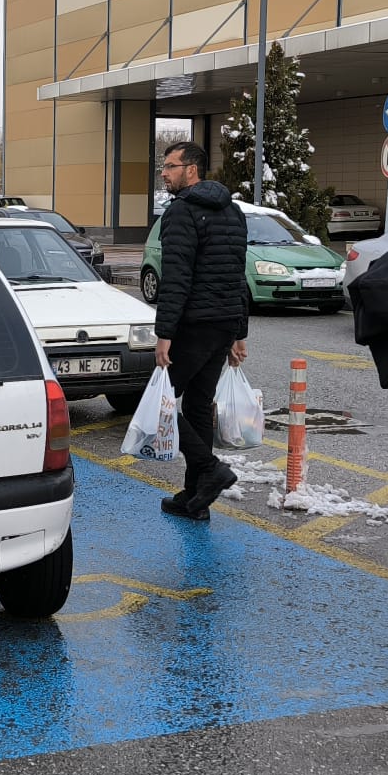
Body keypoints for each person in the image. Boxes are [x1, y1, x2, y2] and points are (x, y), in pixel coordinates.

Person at [151, 141, 249, 521]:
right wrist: (238, 332)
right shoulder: (233, 212)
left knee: (157, 404)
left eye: (171, 166)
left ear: (192, 170)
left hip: (193, 326)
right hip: (222, 325)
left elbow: (176, 279)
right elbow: (236, 277)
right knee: (195, 407)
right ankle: (196, 499)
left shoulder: (181, 213)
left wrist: (164, 335)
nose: (164, 173)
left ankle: (208, 469)